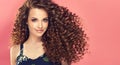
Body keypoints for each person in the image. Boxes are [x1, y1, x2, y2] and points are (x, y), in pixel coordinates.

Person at [10, 0, 88, 65]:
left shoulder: (58, 48)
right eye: (34, 20)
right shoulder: (15, 50)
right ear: (26, 21)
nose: (40, 25)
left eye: (44, 20)